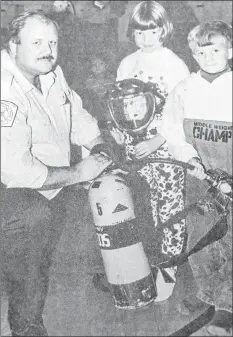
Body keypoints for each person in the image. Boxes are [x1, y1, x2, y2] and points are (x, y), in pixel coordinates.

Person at [1, 10, 114, 337]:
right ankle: (25, 328)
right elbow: (17, 171)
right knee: (33, 221)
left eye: (52, 42)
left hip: (39, 182)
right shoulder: (5, 89)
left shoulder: (50, 71)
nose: (47, 49)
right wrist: (79, 171)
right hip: (9, 184)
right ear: (13, 45)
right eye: (36, 42)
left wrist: (100, 147)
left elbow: (76, 115)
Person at [108, 0, 190, 298]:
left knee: (169, 208)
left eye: (152, 31)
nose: (146, 38)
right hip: (133, 147)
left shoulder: (174, 64)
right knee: (141, 206)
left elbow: (182, 112)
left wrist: (158, 141)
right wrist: (118, 136)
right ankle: (140, 265)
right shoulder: (128, 63)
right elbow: (119, 104)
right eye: (140, 32)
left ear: (163, 30)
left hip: (164, 147)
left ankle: (168, 272)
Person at [156, 20, 232, 335]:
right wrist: (189, 157)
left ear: (230, 49)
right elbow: (170, 129)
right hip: (200, 181)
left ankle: (227, 306)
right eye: (201, 51)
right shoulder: (185, 88)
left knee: (228, 241)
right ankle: (208, 293)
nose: (209, 56)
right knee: (201, 241)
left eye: (215, 48)